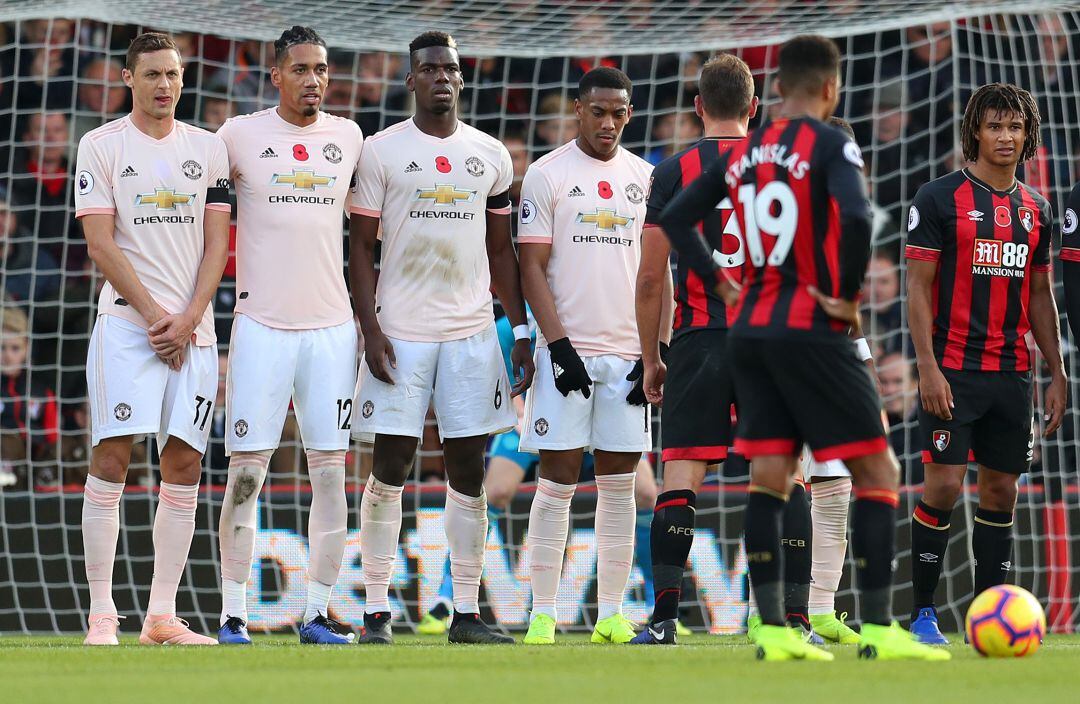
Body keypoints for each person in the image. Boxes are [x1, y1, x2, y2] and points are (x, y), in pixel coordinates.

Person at [659, 35, 948, 662]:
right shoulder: (828, 142)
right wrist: (842, 296)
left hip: (747, 331)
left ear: (777, 91)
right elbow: (857, 215)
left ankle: (773, 632)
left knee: (768, 476)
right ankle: (877, 630)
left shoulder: (748, 153)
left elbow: (679, 220)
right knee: (878, 471)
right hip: (810, 329)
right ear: (828, 88)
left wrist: (717, 282)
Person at [349, 31, 532, 645]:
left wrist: (523, 329)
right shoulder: (381, 152)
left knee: (468, 471)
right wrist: (369, 328)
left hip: (472, 333)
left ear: (461, 78)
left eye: (450, 69)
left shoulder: (491, 155)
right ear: (412, 80)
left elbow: (502, 251)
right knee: (391, 466)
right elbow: (359, 248)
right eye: (429, 69)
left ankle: (468, 613)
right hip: (399, 331)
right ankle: (376, 611)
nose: (442, 78)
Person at [75, 32, 231, 646]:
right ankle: (102, 614)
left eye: (173, 75)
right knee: (113, 456)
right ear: (127, 79)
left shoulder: (208, 149)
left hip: (193, 331)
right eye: (152, 75)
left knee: (185, 462)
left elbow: (218, 242)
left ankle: (161, 615)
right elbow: (100, 243)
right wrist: (153, 316)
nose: (164, 85)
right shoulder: (102, 145)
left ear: (183, 81)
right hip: (125, 326)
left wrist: (190, 317)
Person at [214, 26, 363, 646]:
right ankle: (232, 614)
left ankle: (317, 612)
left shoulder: (349, 138)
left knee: (330, 472)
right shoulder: (237, 136)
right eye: (300, 70)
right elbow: (201, 218)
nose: (313, 81)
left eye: (321, 70)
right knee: (247, 471)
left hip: (332, 329)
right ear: (275, 75)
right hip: (260, 327)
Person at [905, 83, 1065, 645]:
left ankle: (983, 615)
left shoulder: (1037, 209)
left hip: (1011, 374)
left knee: (1000, 492)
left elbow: (1039, 295)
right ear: (975, 130)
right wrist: (926, 366)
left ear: (1028, 137)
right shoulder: (937, 197)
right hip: (951, 369)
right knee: (943, 486)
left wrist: (1056, 371)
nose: (1005, 137)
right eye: (995, 126)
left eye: (1015, 128)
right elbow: (918, 289)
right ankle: (923, 612)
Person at [516, 66, 653, 645]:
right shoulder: (547, 176)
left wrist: (656, 350)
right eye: (598, 111)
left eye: (618, 113)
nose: (608, 122)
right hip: (564, 353)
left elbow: (658, 273)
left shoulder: (645, 177)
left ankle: (611, 614)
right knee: (557, 480)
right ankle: (544, 611)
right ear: (578, 109)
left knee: (621, 486)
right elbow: (530, 268)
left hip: (627, 354)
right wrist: (558, 347)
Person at [630, 53, 755, 645]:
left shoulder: (673, 171)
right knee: (785, 477)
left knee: (679, 480)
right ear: (754, 108)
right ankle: (791, 621)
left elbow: (652, 278)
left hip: (700, 340)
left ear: (698, 107)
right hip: (773, 342)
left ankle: (662, 620)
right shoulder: (786, 172)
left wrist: (654, 355)